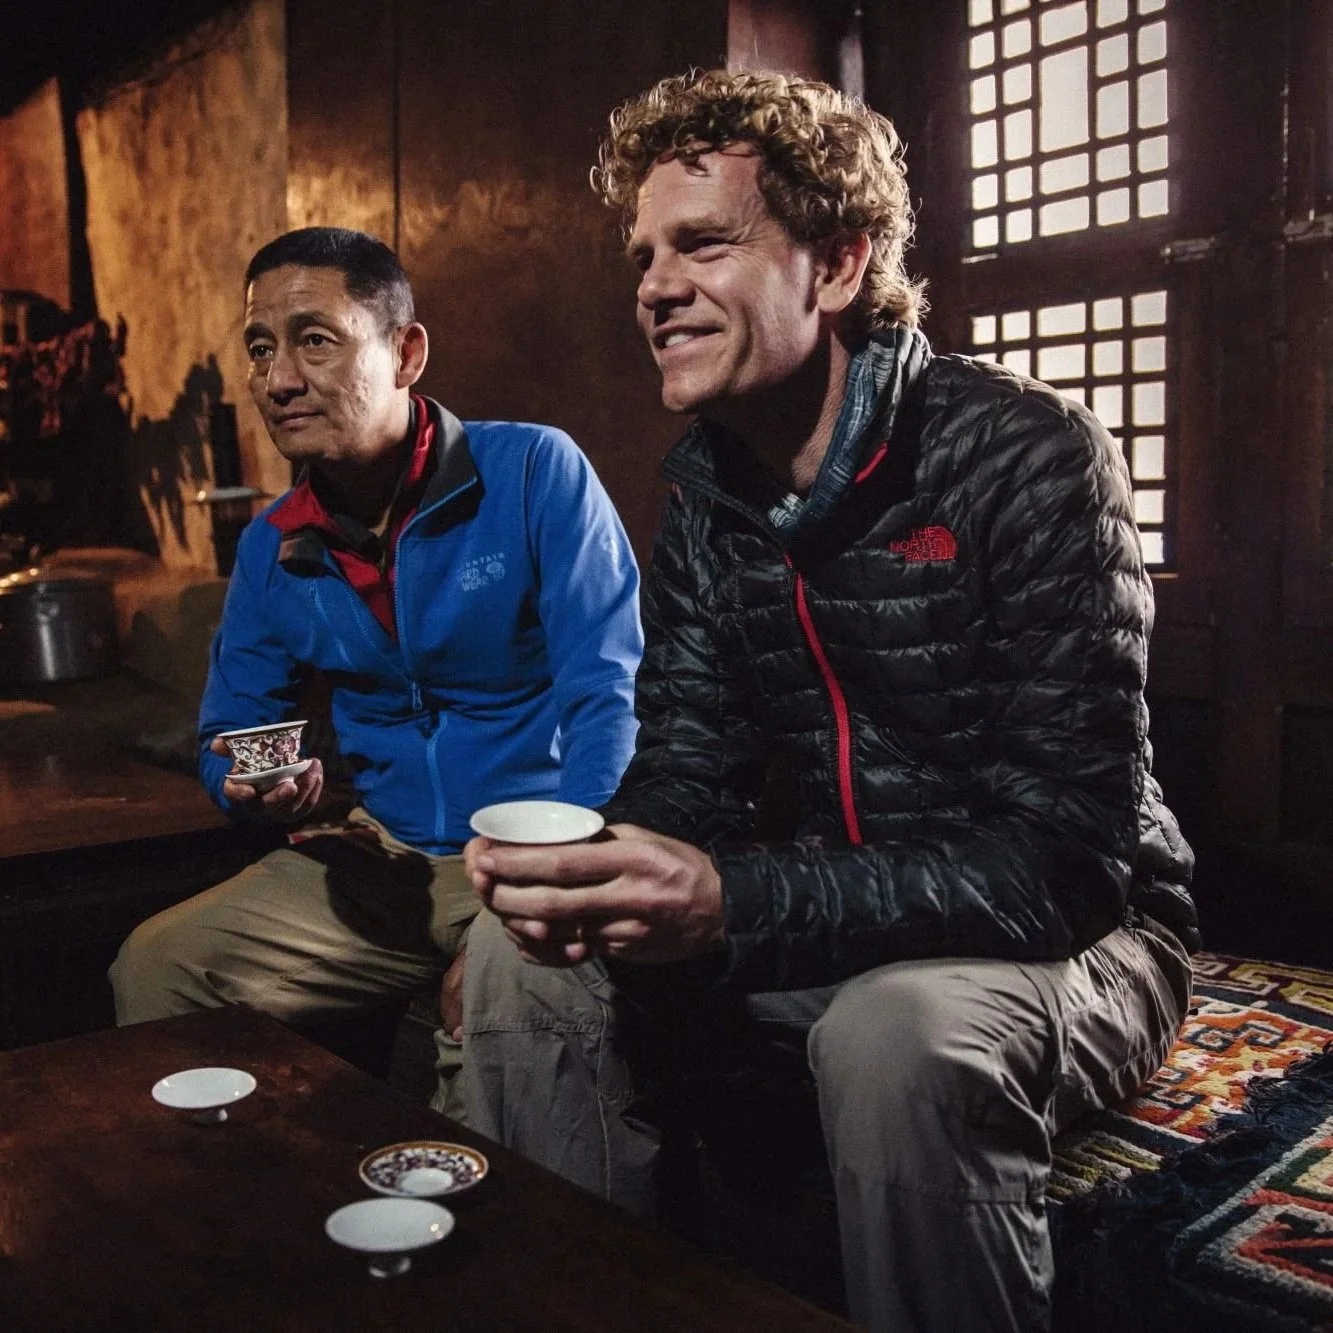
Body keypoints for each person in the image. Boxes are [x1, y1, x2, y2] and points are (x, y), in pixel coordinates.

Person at [458, 71, 1199, 1333]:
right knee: (514, 963)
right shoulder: (709, 497)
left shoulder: (1027, 457)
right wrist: (592, 870)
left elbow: (1064, 863)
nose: (653, 287)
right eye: (644, 255)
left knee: (894, 1034)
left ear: (840, 263)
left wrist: (734, 900)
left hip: (1081, 936)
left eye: (702, 244)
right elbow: (686, 761)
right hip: (844, 913)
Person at [110, 227, 642, 1108]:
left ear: (406, 353)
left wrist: (549, 877)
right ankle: (240, 1192)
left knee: (500, 1006)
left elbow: (609, 695)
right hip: (384, 860)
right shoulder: (273, 545)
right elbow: (228, 732)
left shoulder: (530, 473)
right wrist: (248, 785)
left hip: (533, 850)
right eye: (259, 348)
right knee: (159, 962)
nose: (278, 379)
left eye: (315, 339)